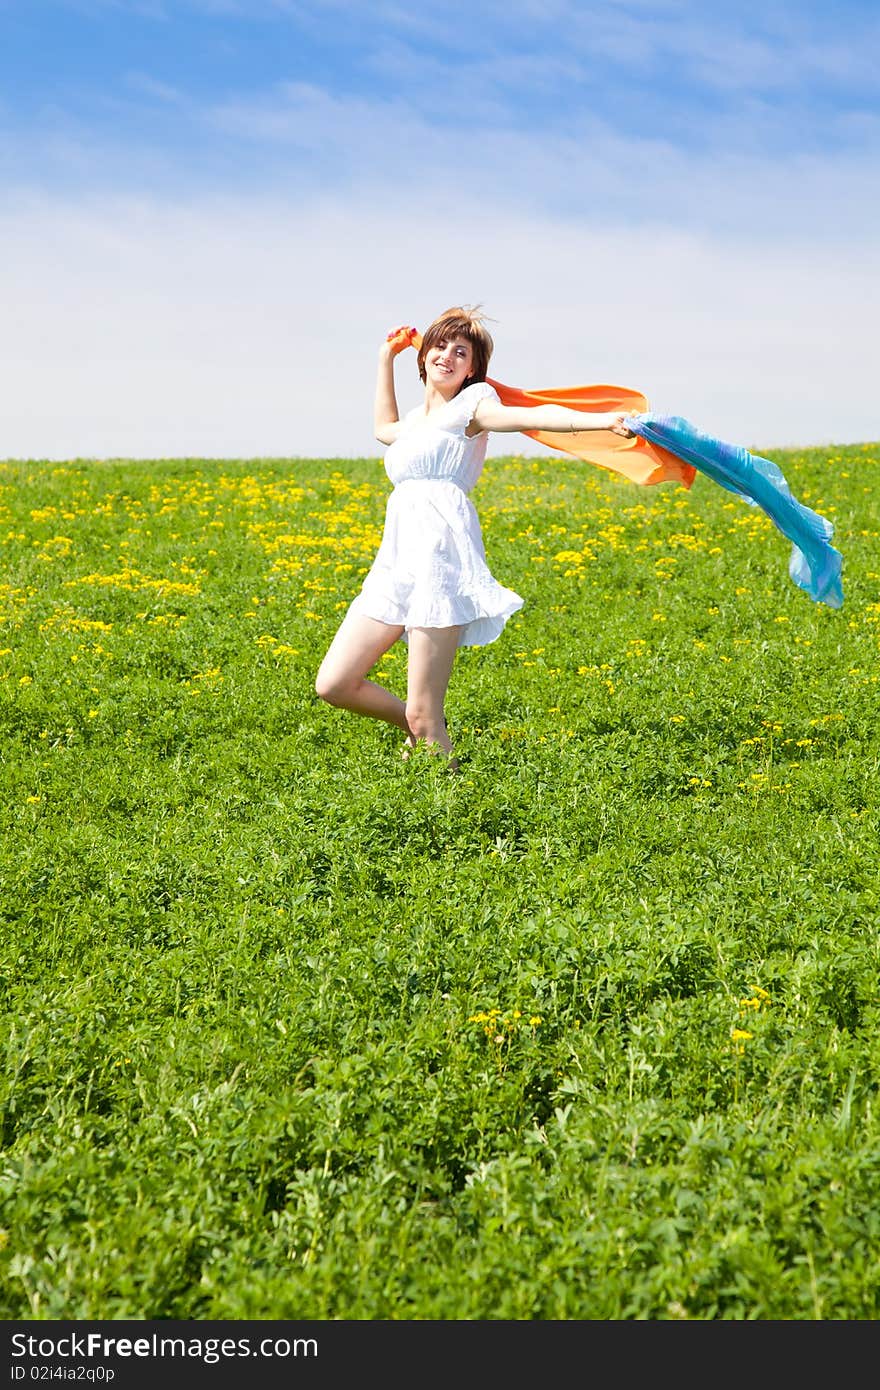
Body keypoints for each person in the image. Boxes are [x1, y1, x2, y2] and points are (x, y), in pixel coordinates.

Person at [314, 306, 634, 769]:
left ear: (471, 369)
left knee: (426, 715)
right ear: (423, 357)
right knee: (335, 684)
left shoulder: (474, 406)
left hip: (440, 566)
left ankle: (451, 802)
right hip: (394, 567)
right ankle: (417, 730)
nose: (448, 355)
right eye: (440, 346)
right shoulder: (413, 424)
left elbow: (535, 416)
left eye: (460, 352)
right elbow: (383, 429)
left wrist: (601, 421)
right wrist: (386, 357)